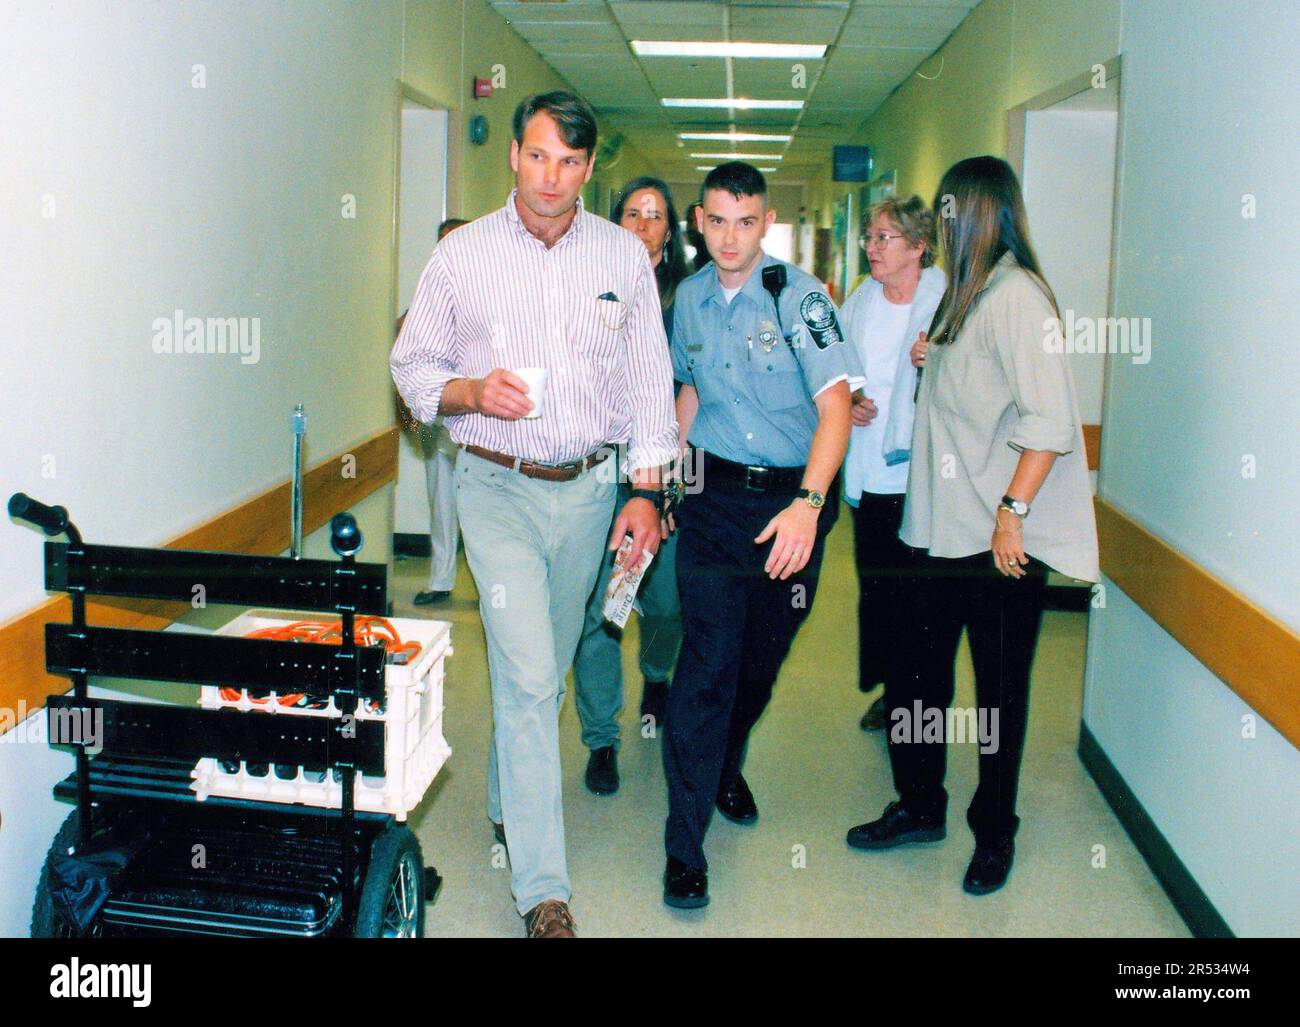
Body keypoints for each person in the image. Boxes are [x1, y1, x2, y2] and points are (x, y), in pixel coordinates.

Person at [390, 91, 678, 937]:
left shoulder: (624, 258)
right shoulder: (464, 256)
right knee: (523, 678)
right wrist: (471, 391)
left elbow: (648, 385)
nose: (553, 178)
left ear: (590, 169)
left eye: (571, 162)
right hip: (497, 485)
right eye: (540, 156)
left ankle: (504, 800)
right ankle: (544, 893)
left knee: (542, 677)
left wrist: (646, 491)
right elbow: (411, 369)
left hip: (590, 491)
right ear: (514, 154)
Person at [845, 156, 1099, 896]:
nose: (944, 222)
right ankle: (921, 805)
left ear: (983, 214)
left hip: (993, 547)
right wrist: (930, 359)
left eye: (952, 210)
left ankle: (996, 832)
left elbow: (1048, 423)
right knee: (917, 682)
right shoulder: (966, 293)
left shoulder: (1020, 297)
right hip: (934, 532)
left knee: (997, 697)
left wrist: (1013, 514)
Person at [662, 161, 859, 908]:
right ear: (700, 222)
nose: (731, 237)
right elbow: (688, 388)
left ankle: (725, 763)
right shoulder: (688, 300)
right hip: (713, 500)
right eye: (717, 220)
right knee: (707, 664)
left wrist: (809, 504)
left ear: (765, 222)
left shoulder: (802, 298)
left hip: (790, 503)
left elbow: (836, 409)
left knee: (757, 666)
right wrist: (669, 482)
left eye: (746, 222)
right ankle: (685, 845)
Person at [572, 177, 689, 795]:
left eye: (655, 216)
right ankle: (602, 738)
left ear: (670, 234)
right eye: (632, 213)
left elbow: (693, 400)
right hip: (597, 478)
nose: (642, 225)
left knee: (664, 605)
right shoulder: (587, 288)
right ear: (612, 221)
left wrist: (666, 490)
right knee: (602, 611)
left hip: (666, 478)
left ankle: (657, 671)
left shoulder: (687, 301)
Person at [839, 197, 944, 732]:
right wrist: (851, 397)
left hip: (920, 476)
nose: (873, 248)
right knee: (877, 590)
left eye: (884, 239)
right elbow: (838, 366)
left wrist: (938, 361)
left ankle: (911, 698)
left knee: (915, 601)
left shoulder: (944, 303)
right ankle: (890, 688)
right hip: (867, 473)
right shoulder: (862, 300)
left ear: (919, 248)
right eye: (870, 238)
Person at [413, 217, 469, 606]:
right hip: (440, 417)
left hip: (483, 422)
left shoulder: (491, 290)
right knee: (442, 499)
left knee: (489, 508)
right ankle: (440, 579)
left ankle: (494, 590)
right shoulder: (430, 291)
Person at [683, 201, 711, 271]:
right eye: (689, 221)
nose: (690, 227)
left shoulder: (720, 262)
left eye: (691, 221)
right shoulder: (690, 266)